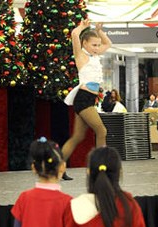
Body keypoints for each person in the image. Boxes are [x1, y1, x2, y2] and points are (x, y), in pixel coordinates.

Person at [62, 19, 112, 162]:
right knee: (102, 130)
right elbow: (74, 35)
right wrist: (82, 27)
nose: (97, 48)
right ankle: (101, 165)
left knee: (77, 137)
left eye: (98, 45)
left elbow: (108, 44)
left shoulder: (94, 55)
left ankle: (57, 166)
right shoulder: (81, 56)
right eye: (94, 45)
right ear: (85, 44)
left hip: (89, 99)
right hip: (84, 98)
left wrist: (99, 31)